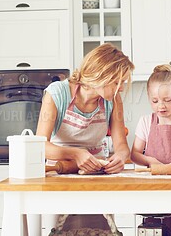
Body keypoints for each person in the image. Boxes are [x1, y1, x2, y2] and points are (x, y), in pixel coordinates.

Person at [37, 42, 135, 174]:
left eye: (122, 82)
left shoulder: (114, 100)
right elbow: (40, 145)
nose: (121, 88)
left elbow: (122, 146)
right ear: (99, 76)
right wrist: (76, 154)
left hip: (97, 171)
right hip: (59, 169)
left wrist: (121, 157)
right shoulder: (57, 94)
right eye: (117, 82)